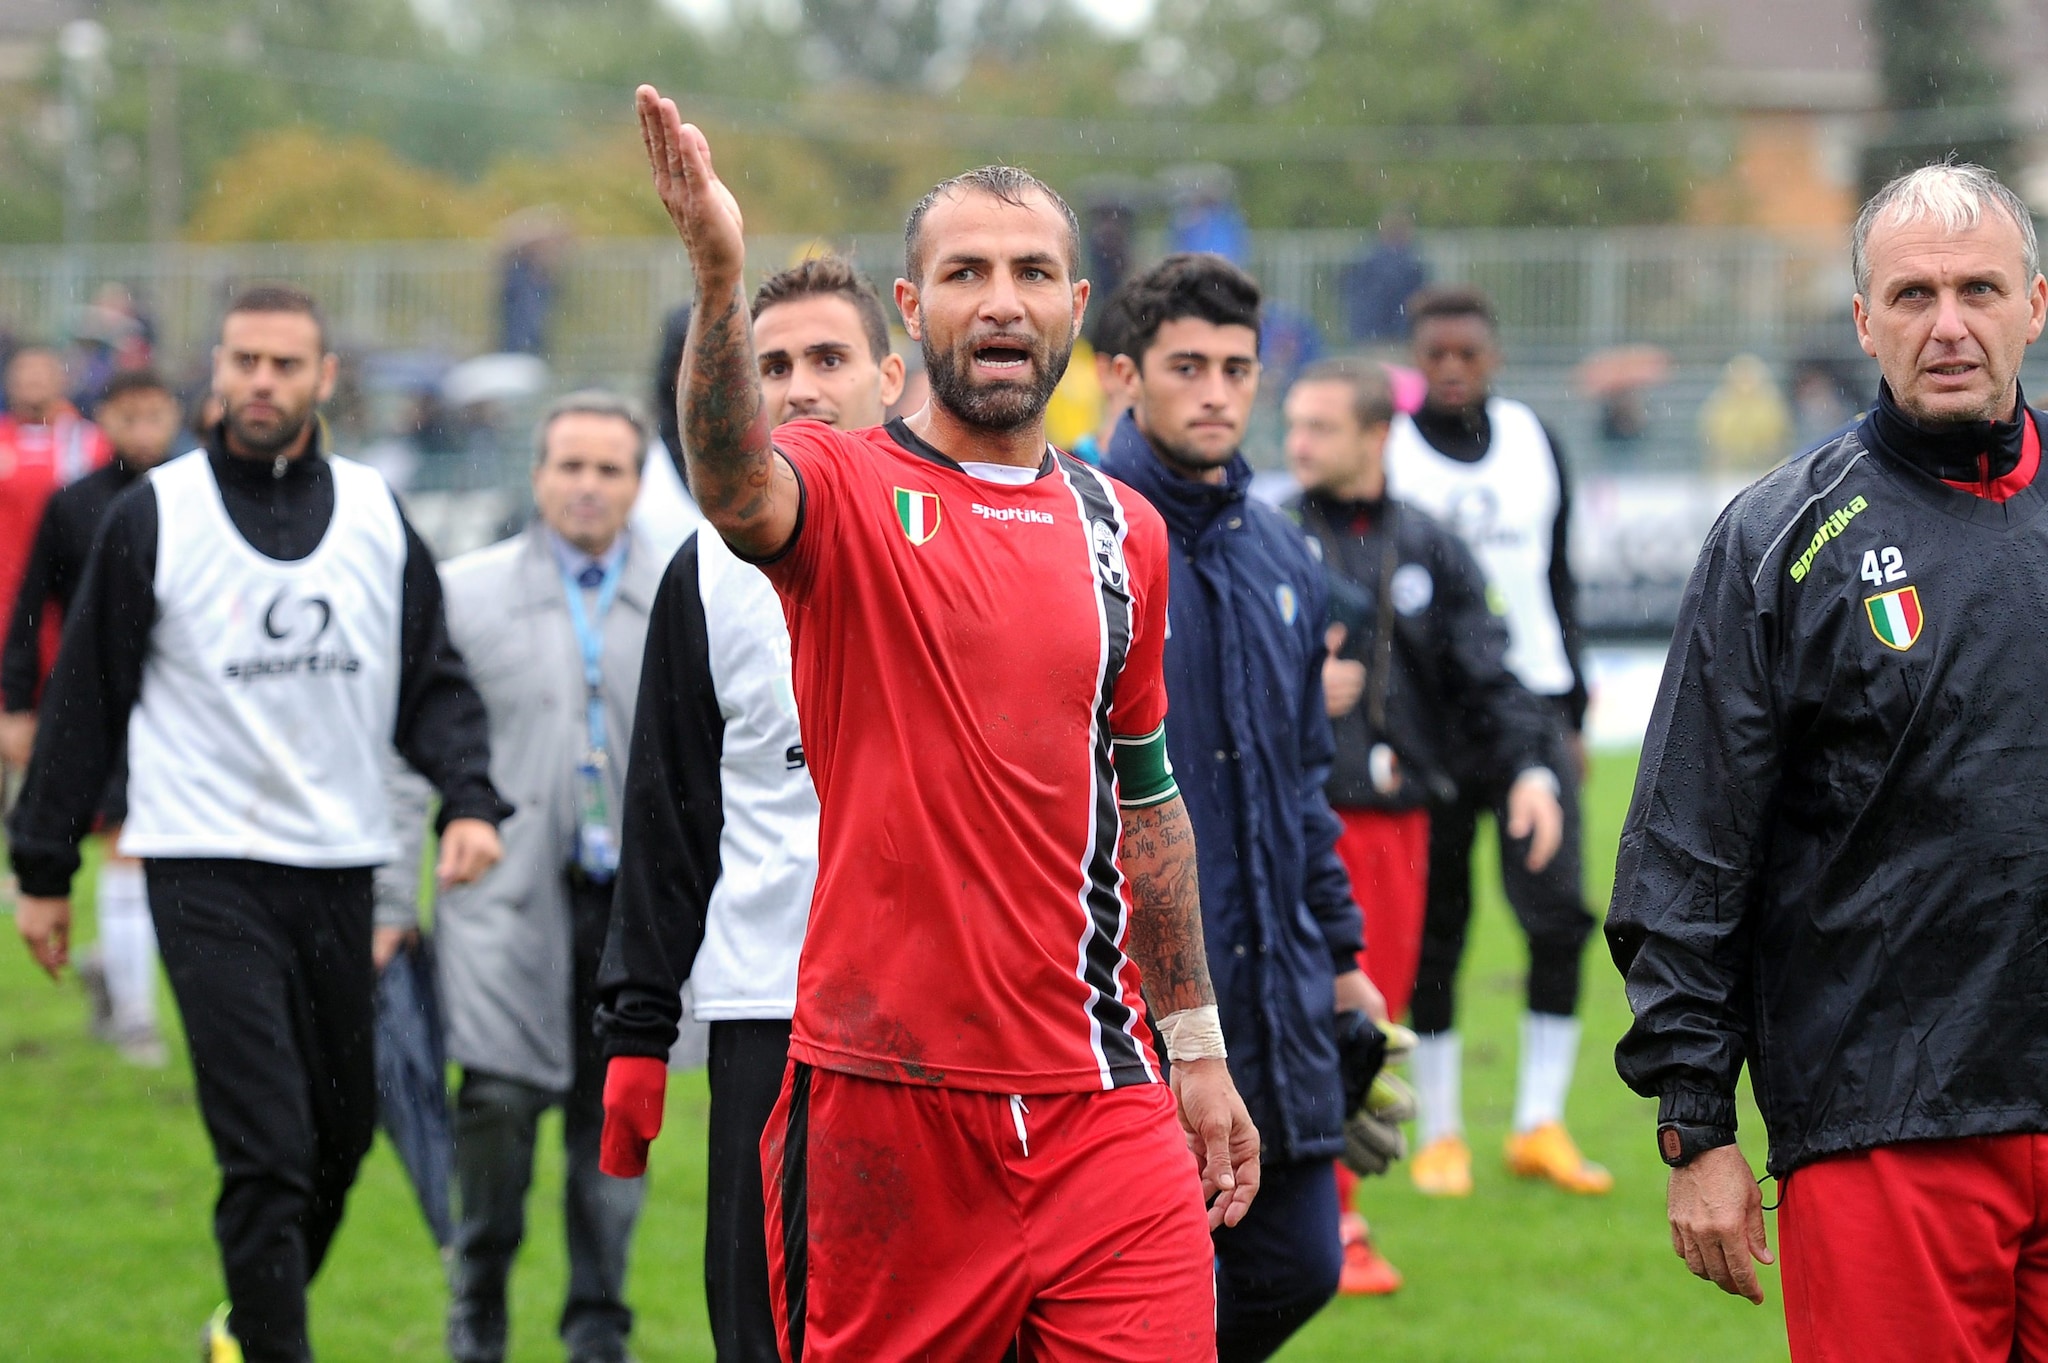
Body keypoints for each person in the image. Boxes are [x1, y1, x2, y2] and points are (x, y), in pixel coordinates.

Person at [609, 88, 1261, 1360]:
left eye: (1032, 272)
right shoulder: (845, 486)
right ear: (912, 313)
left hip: (1099, 1099)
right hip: (882, 1103)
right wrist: (715, 282)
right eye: (964, 272)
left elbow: (1146, 799)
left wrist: (1195, 1045)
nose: (1001, 300)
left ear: (1077, 307)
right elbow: (735, 482)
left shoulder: (1122, 530)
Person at [5, 285, 509, 1363]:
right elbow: (85, 696)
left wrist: (467, 797)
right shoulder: (159, 515)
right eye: (245, 361)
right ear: (217, 373)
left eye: (286, 364)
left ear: (325, 379)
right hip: (205, 868)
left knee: (339, 1139)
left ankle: (238, 1331)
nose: (263, 382)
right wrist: (42, 866)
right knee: (269, 1149)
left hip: (338, 865)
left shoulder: (376, 513)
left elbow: (432, 682)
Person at [1611, 162, 2048, 1358]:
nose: (1946, 325)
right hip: (1884, 1124)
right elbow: (1686, 847)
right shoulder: (1775, 540)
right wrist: (1694, 1120)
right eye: (1910, 295)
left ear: (2034, 304)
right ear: (1863, 321)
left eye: (1976, 289)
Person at [600, 253, 903, 1363]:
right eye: (770, 365)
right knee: (764, 1326)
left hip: (946, 1015)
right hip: (768, 1007)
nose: (799, 386)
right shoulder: (704, 568)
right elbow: (667, 810)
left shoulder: (964, 535)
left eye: (828, 358)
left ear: (892, 376)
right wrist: (636, 1030)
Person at [1096, 252, 1373, 1359]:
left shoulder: (1282, 556)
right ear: (1125, 373)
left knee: (1298, 1266)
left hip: (1275, 991)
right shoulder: (1085, 536)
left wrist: (1343, 957)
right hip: (1129, 1002)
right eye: (1186, 366)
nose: (1215, 391)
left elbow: (1304, 783)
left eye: (1236, 368)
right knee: (1151, 1297)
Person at [1282, 357, 1567, 1291]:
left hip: (1399, 825)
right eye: (1294, 425)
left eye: (1319, 426)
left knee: (1374, 1020)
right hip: (1292, 819)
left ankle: (1335, 1219)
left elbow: (1489, 673)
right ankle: (1321, 1224)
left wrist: (1529, 768)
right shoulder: (1268, 540)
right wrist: (1298, 691)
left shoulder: (1432, 548)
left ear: (1375, 436)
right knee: (1293, 1014)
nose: (1297, 445)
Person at [389, 391, 659, 1363]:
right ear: (537, 474)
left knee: (613, 1118)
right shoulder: (467, 593)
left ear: (635, 481)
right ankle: (479, 1304)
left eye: (608, 469)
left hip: (629, 911)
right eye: (569, 466)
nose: (587, 486)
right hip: (504, 900)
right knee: (496, 1105)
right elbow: (403, 746)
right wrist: (392, 896)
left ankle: (597, 1323)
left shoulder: (677, 594)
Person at [1382, 284, 1608, 1198]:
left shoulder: (1534, 443)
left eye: (1466, 353)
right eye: (1434, 352)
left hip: (1535, 715)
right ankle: (1440, 1133)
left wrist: (1577, 714)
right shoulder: (1391, 454)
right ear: (1416, 359)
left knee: (1557, 915)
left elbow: (1559, 578)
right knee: (1437, 931)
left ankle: (1538, 1123)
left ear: (1493, 357)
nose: (1450, 368)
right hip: (1433, 728)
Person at [1, 368, 184, 1064]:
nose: (142, 430)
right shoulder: (75, 504)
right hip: (99, 701)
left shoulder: (195, 498)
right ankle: (136, 1014)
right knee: (124, 840)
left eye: (155, 414)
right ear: (103, 420)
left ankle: (114, 963)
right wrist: (16, 702)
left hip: (181, 703)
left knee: (162, 849)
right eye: (128, 416)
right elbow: (29, 608)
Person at [0, 344, 109, 781]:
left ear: (61, 380)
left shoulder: (88, 444)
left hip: (60, 604)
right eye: (23, 374)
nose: (32, 383)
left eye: (41, 373)